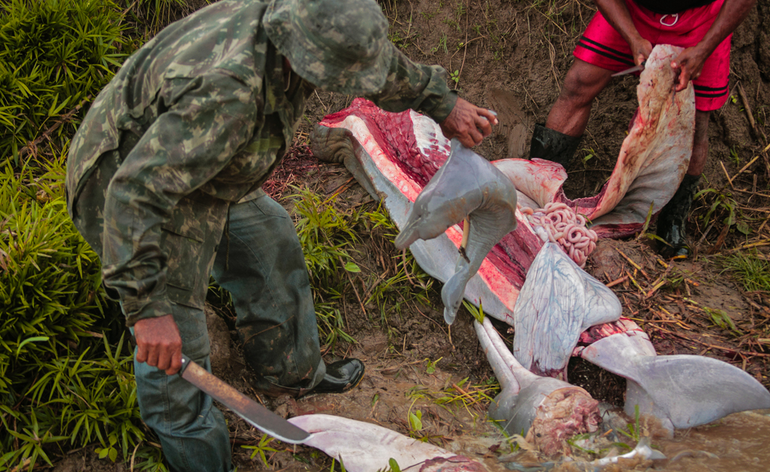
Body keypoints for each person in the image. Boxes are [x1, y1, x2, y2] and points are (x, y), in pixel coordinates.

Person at [64, 0, 498, 470]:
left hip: (206, 169)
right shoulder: (229, 91)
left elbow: (370, 58)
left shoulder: (308, 16)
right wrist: (148, 311)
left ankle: (290, 374)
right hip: (131, 194)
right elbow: (134, 195)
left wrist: (443, 102)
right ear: (304, 56)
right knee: (178, 361)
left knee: (270, 239)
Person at [529, 0, 755, 258]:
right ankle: (536, 193)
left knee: (694, 123)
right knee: (579, 83)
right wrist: (632, 37)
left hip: (703, 21)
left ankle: (672, 224)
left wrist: (704, 50)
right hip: (632, 12)